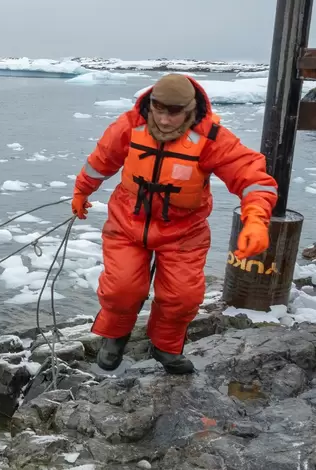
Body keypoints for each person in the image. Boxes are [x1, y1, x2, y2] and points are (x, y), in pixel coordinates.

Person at [71, 73, 278, 375]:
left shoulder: (212, 139)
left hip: (184, 230)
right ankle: (116, 335)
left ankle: (165, 346)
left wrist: (257, 220)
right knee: (122, 288)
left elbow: (253, 178)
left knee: (182, 296)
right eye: (159, 109)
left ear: (190, 109)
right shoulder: (129, 126)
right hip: (129, 221)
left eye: (175, 112)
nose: (166, 120)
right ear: (150, 104)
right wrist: (82, 190)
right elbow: (100, 160)